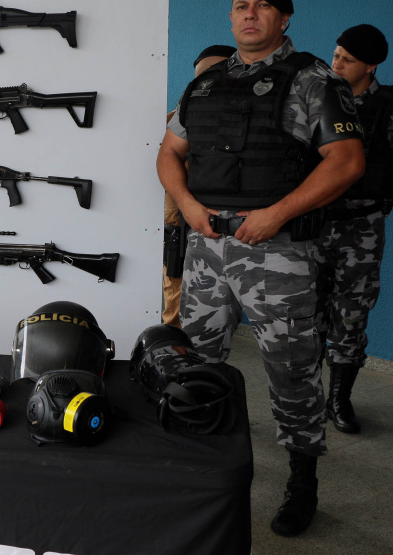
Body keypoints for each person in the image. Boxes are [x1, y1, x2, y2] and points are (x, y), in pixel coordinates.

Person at [156, 0, 365, 538]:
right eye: (241, 5)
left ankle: (302, 478)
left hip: (278, 255)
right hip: (206, 251)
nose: (250, 14)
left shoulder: (313, 79)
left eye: (264, 5)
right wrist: (189, 205)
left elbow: (347, 161)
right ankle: (198, 466)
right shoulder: (205, 84)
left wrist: (276, 215)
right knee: (195, 362)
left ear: (285, 17)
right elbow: (168, 153)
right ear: (231, 16)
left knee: (291, 370)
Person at [316, 24, 393, 435]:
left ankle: (338, 399)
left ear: (371, 65)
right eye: (336, 54)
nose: (336, 63)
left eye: (347, 58)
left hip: (362, 225)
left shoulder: (387, 105)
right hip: (312, 224)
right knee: (307, 313)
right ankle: (307, 396)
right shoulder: (317, 98)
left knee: (352, 314)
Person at [163, 45, 236, 327]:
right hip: (182, 222)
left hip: (236, 222)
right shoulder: (176, 118)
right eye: (201, 76)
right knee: (177, 285)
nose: (207, 82)